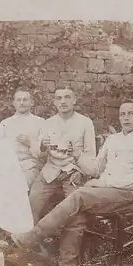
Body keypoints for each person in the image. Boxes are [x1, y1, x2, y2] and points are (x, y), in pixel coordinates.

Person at [10, 99, 133, 266]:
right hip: (104, 192)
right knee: (77, 211)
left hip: (127, 195)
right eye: (122, 114)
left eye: (131, 113)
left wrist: (102, 183)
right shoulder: (113, 140)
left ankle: (35, 236)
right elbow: (96, 169)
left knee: (79, 196)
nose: (126, 118)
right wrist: (76, 154)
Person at [29, 88, 97, 224]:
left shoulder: (85, 122)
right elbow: (37, 153)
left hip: (73, 172)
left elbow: (90, 155)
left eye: (67, 97)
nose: (63, 101)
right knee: (32, 202)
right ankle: (31, 240)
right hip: (50, 170)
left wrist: (82, 173)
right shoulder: (48, 123)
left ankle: (69, 244)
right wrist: (42, 146)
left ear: (74, 100)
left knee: (75, 212)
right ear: (54, 102)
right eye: (59, 98)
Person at [0, 88, 45, 188]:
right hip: (7, 165)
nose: (22, 103)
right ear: (14, 103)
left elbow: (43, 153)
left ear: (32, 103)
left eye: (25, 100)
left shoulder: (40, 122)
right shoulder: (5, 123)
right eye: (19, 100)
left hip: (29, 166)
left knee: (18, 186)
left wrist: (30, 143)